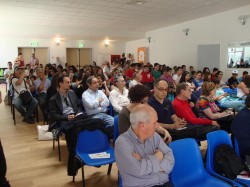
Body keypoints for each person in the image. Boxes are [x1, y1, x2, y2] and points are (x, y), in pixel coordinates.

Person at [115, 104, 175, 187]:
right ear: (142, 125)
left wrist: (143, 162)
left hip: (164, 183)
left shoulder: (155, 136)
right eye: (154, 123)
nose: (157, 126)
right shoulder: (122, 143)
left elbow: (170, 156)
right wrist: (157, 157)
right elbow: (138, 170)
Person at [149, 79, 217, 140]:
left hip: (175, 129)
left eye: (166, 89)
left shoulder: (167, 101)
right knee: (208, 129)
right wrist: (172, 126)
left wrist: (178, 121)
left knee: (209, 128)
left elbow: (173, 115)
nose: (164, 92)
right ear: (155, 88)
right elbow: (153, 124)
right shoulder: (150, 104)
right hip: (164, 132)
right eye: (161, 89)